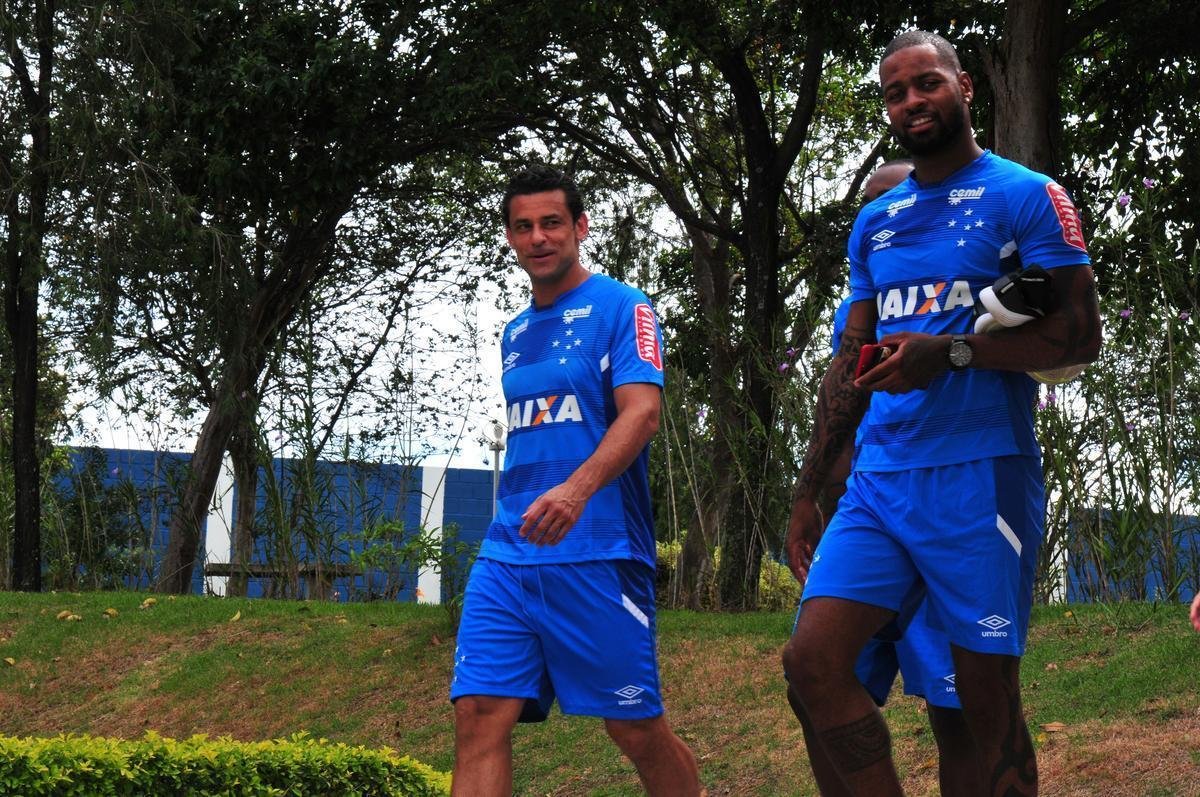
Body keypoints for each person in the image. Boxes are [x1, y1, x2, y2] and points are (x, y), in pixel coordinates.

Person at [782, 30, 1102, 797]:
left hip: (981, 473)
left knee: (985, 700)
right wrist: (808, 484)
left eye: (925, 83)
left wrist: (956, 351)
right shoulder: (877, 221)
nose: (912, 101)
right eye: (895, 92)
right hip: (880, 480)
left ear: (962, 85)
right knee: (812, 664)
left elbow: (1080, 336)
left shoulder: (1027, 194)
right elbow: (850, 359)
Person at [449, 164, 702, 796]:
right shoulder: (513, 333)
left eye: (552, 223)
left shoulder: (623, 307)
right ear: (510, 237)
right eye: (523, 226)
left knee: (634, 729)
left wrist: (576, 490)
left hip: (599, 552)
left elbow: (642, 413)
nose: (538, 238)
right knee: (479, 716)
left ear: (580, 227)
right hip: (509, 551)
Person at [785, 158, 981, 797]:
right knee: (811, 677)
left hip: (943, 510)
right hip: (866, 515)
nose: (884, 218)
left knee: (959, 710)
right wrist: (810, 491)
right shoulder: (864, 302)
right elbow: (839, 392)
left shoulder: (965, 285)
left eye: (895, 200)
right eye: (870, 208)